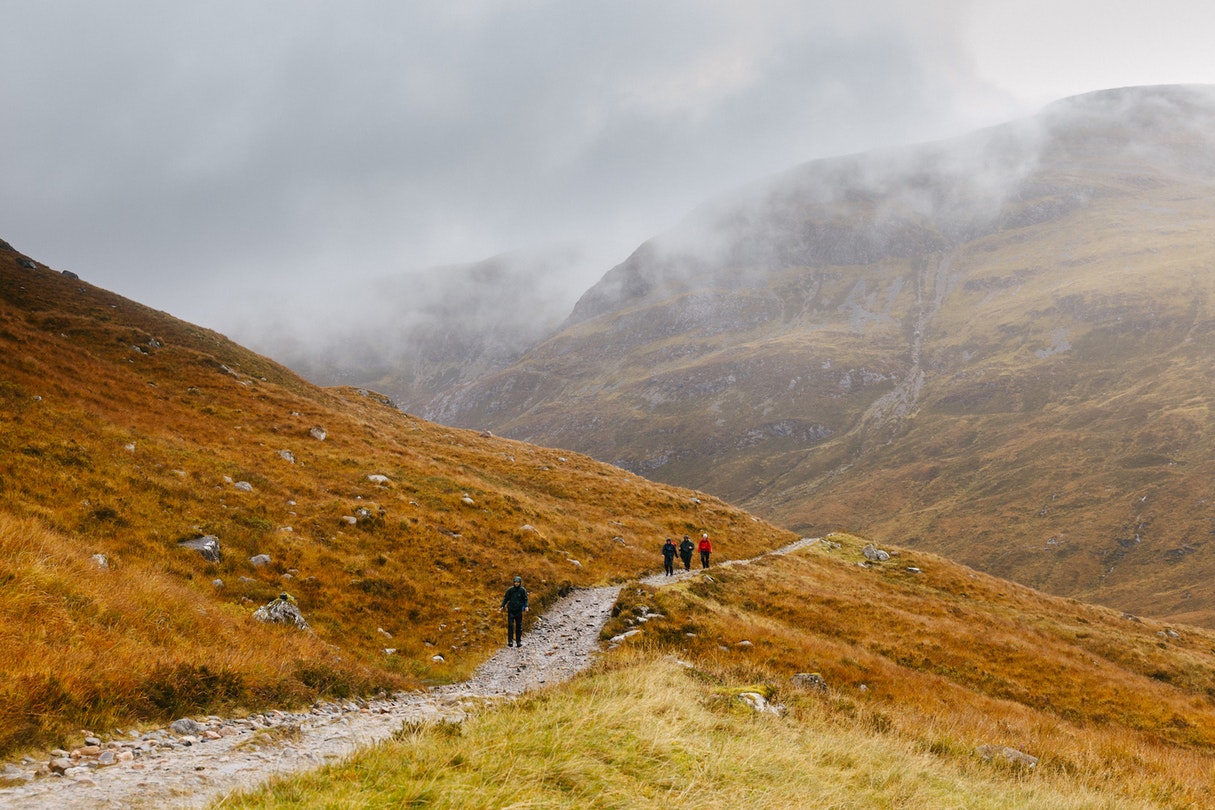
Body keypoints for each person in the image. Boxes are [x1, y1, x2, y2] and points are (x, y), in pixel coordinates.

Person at [499, 575, 529, 647]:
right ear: (513, 582)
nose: (516, 583)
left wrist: (526, 606)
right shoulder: (510, 590)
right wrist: (502, 606)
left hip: (518, 610)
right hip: (511, 610)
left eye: (518, 582)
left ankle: (518, 641)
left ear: (520, 583)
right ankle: (510, 641)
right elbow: (506, 599)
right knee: (510, 625)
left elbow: (525, 599)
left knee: (519, 626)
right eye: (515, 582)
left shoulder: (522, 590)